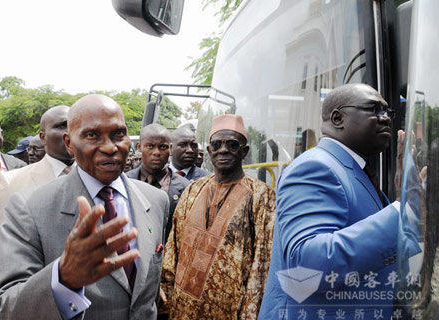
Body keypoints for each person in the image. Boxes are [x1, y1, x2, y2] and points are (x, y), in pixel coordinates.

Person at [0, 94, 169, 319]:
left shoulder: (156, 200)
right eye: (92, 135)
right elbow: (2, 309)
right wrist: (63, 279)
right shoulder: (28, 208)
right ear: (69, 143)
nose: (110, 147)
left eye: (118, 134)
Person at [259, 84, 420, 319]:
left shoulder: (357, 170)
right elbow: (306, 264)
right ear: (337, 118)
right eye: (374, 109)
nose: (385, 119)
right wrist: (400, 211)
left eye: (388, 112)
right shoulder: (315, 167)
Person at [161, 114, 276, 319]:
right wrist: (166, 297)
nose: (223, 149)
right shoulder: (193, 190)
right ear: (209, 151)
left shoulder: (262, 196)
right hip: (182, 310)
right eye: (217, 144)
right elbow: (173, 249)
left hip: (230, 311)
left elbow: (263, 263)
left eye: (232, 144)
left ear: (245, 151)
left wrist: (250, 313)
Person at [0, 105, 75, 311]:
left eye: (75, 125)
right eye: (61, 126)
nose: (69, 131)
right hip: (37, 305)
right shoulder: (12, 182)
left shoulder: (99, 180)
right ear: (43, 136)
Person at [126, 123, 190, 240]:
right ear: (139, 147)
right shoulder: (125, 182)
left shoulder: (186, 187)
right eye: (150, 146)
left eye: (162, 147)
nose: (156, 152)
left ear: (170, 149)